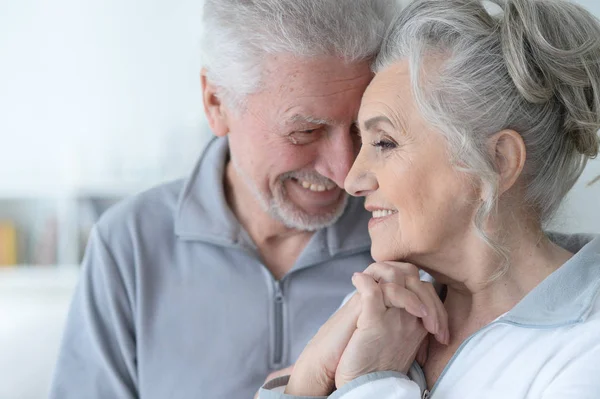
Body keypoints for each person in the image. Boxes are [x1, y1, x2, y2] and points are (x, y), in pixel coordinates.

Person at [49, 1, 397, 398]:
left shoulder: (401, 239)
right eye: (305, 131)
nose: (347, 171)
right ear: (216, 102)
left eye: (359, 130)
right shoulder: (128, 246)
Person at [258, 0, 600, 397]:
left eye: (384, 143)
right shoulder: (380, 306)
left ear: (497, 161)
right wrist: (307, 379)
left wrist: (371, 381)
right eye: (361, 142)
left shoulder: (587, 348)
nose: (352, 180)